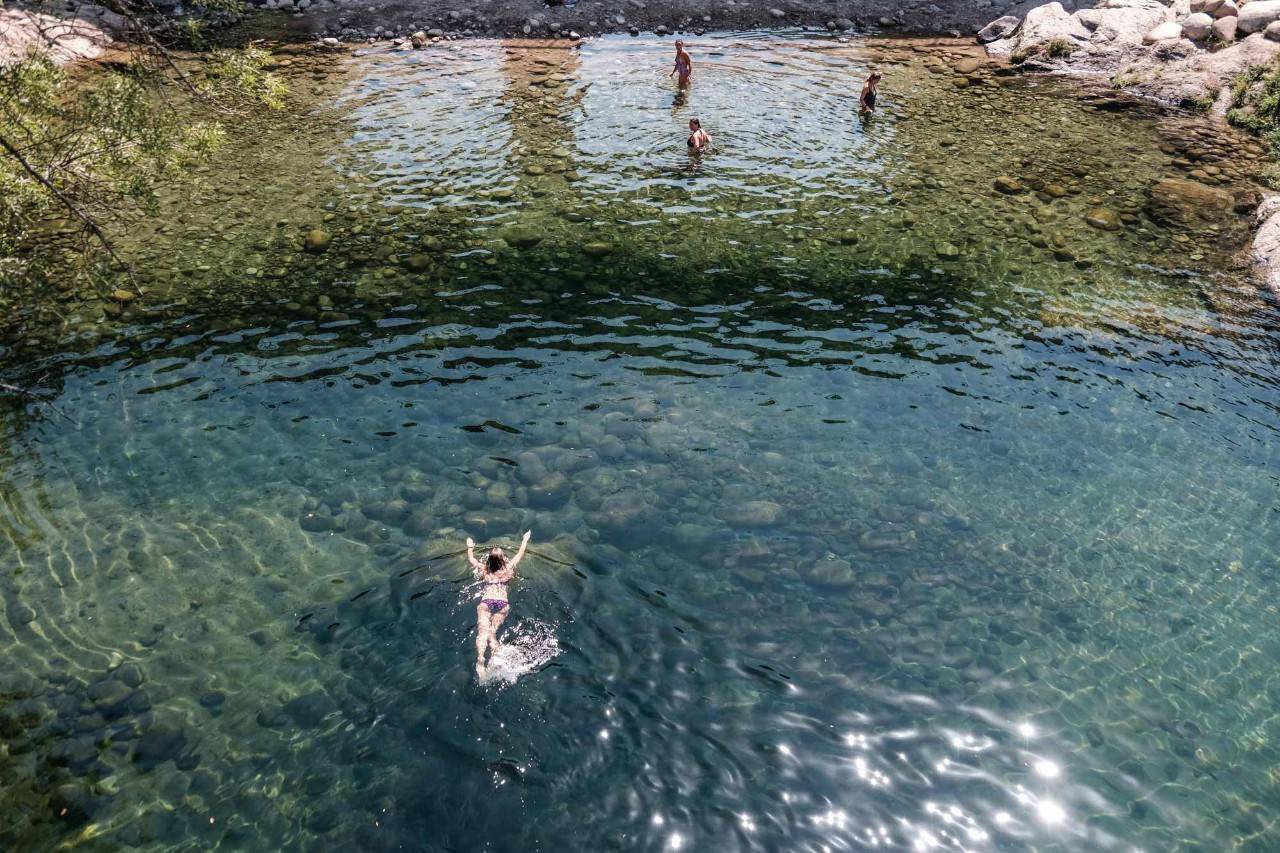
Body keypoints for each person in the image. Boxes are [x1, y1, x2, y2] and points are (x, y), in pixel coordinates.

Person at [467, 530, 531, 679]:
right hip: (502, 603)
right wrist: (525, 539)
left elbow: (471, 560)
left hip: (486, 601)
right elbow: (520, 553)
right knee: (492, 633)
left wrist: (470, 546)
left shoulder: (485, 569)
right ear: (503, 559)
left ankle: (480, 659)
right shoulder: (509, 568)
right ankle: (496, 656)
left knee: (483, 632)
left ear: (489, 561)